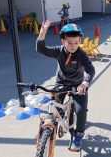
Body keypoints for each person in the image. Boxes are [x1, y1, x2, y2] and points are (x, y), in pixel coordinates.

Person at [36, 20, 95, 151]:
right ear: (63, 41)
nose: (73, 46)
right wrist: (43, 32)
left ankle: (78, 134)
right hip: (61, 83)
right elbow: (41, 49)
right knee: (55, 108)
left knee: (80, 111)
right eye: (69, 43)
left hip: (78, 85)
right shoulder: (59, 51)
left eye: (76, 42)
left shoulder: (81, 54)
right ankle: (52, 127)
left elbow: (90, 69)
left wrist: (85, 83)